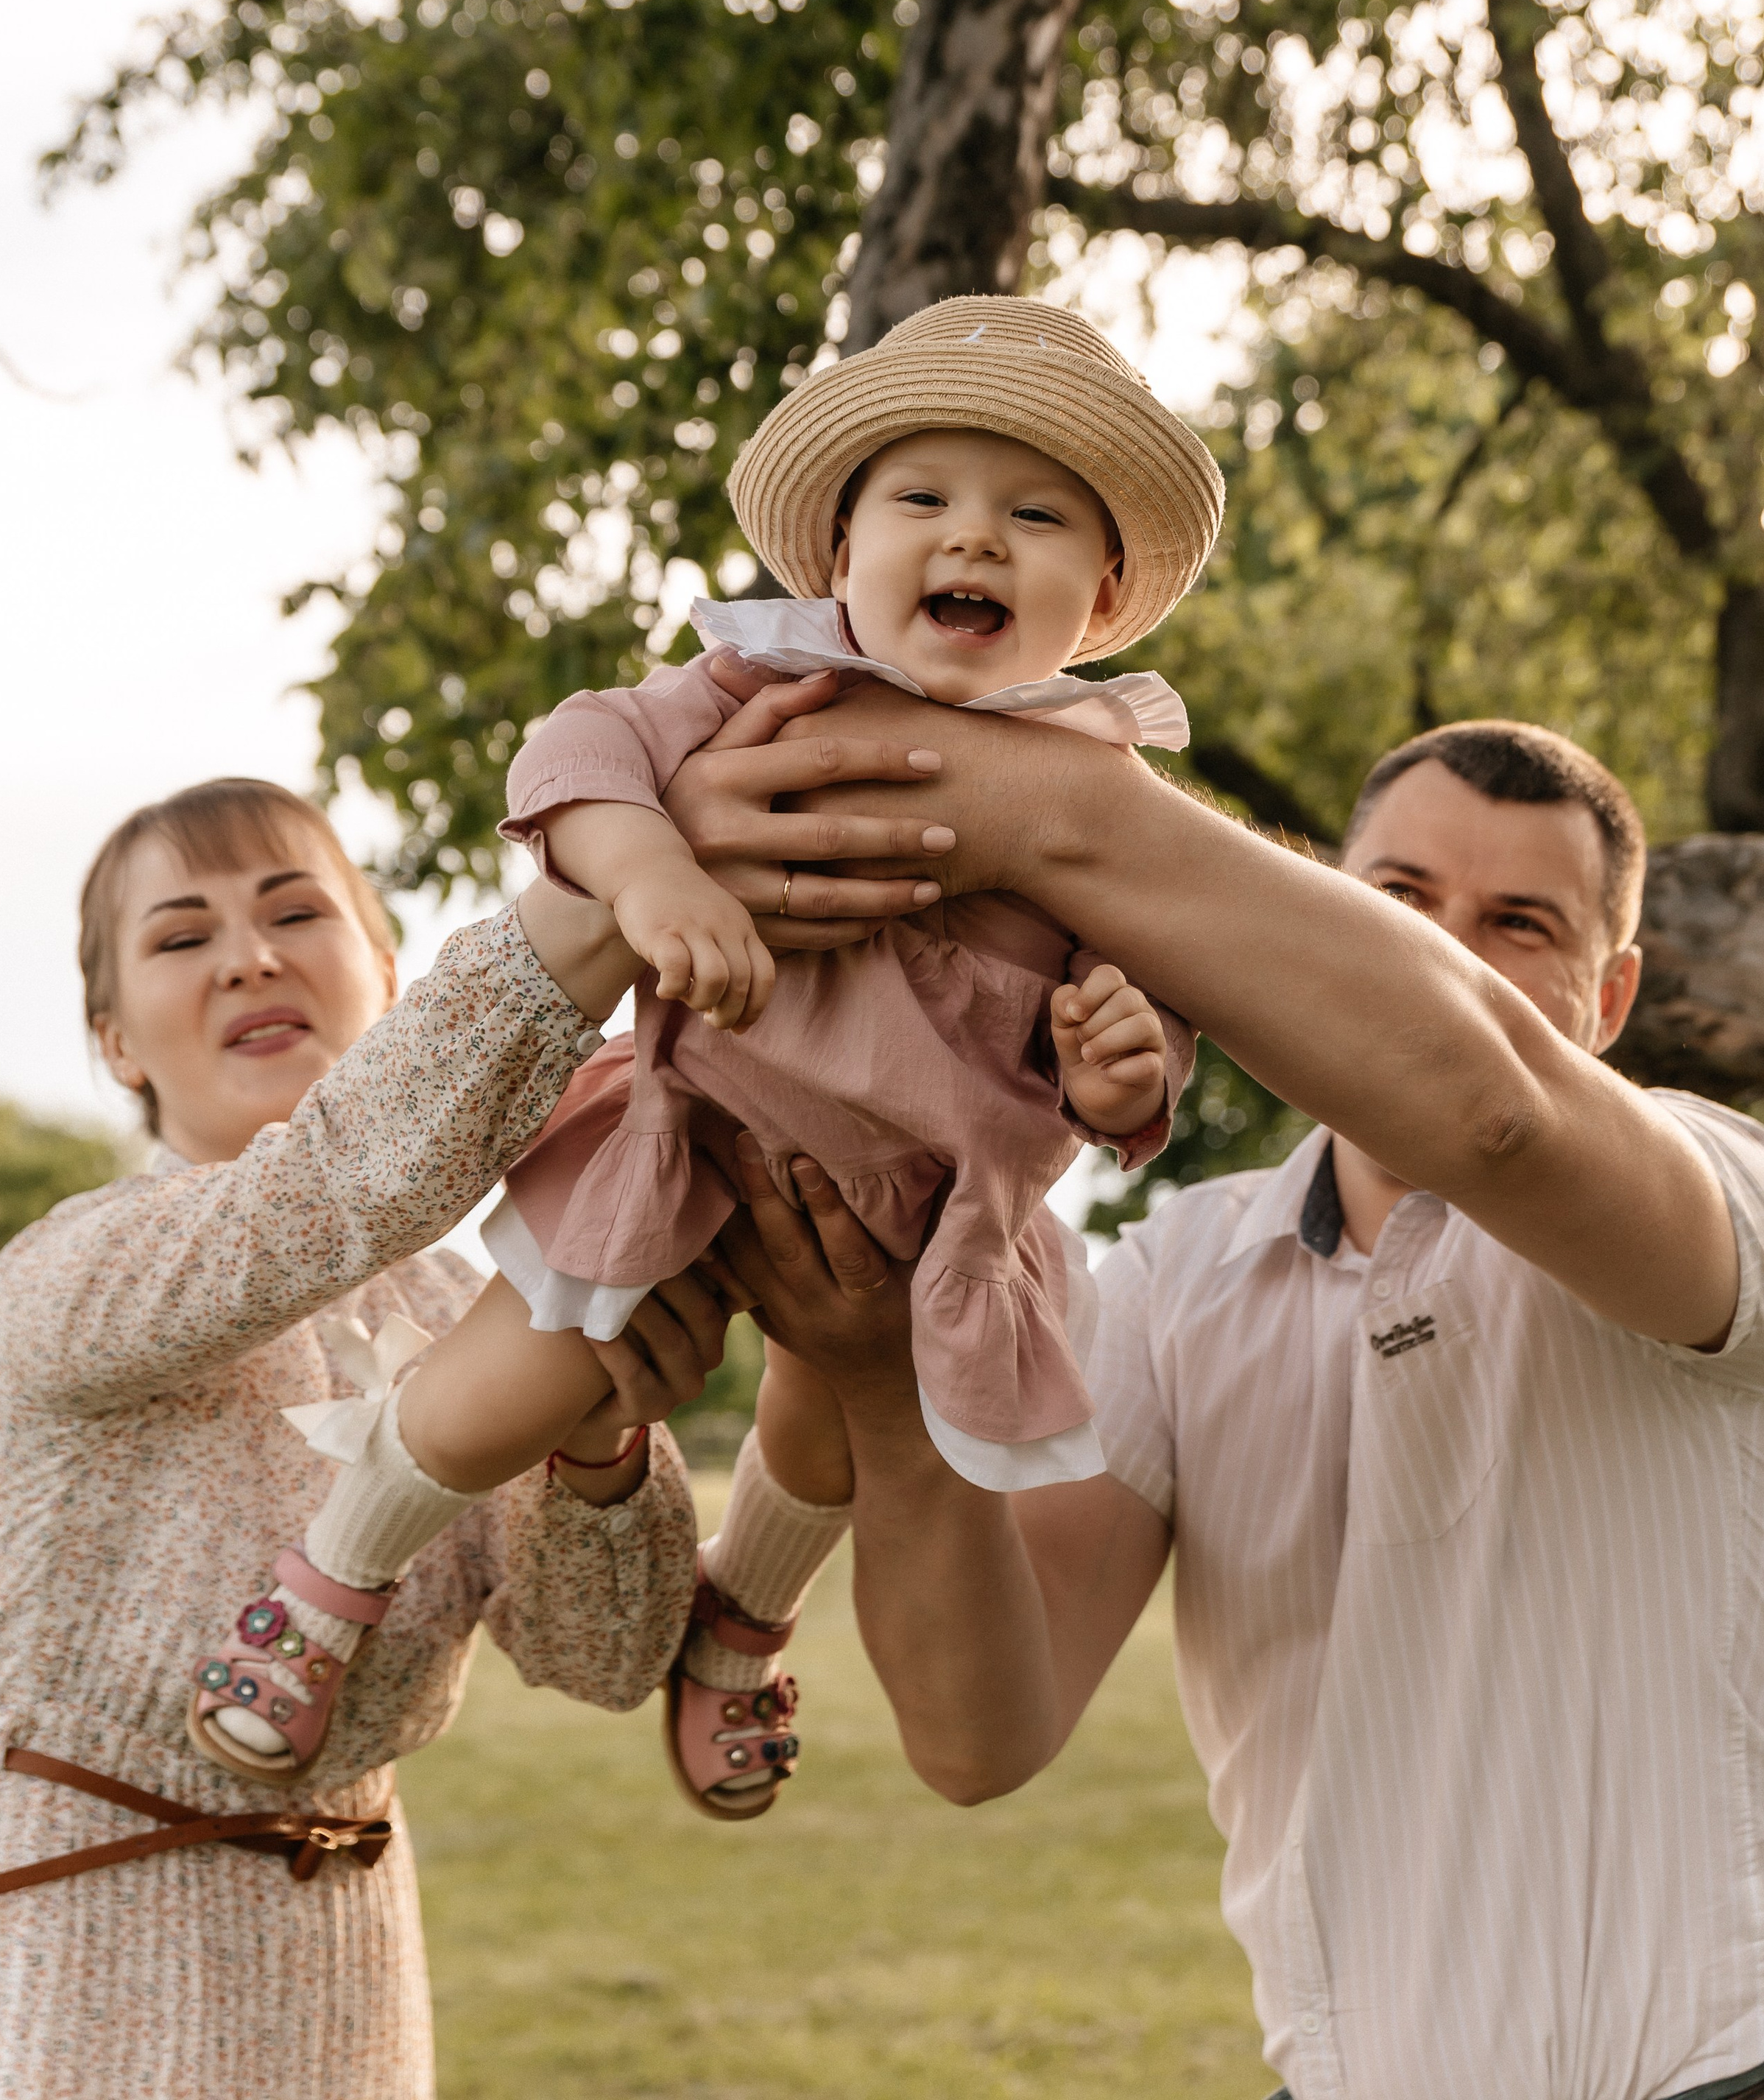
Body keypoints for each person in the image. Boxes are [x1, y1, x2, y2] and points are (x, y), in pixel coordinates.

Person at [669, 699, 1764, 2100]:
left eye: (1520, 926)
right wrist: (888, 1393)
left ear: (1607, 1002)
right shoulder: (1178, 1277)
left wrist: (1057, 807)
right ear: (1320, 912)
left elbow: (1496, 1110)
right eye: (1399, 903)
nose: (1441, 954)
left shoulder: (1713, 1190)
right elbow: (976, 1737)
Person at [214, 297, 1218, 1817]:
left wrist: (1122, 1071)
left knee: (823, 1442)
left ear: (1104, 590)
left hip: (917, 1223)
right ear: (835, 557)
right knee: (506, 1391)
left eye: (1034, 517)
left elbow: (1146, 1000)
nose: (976, 540)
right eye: (923, 501)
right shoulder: (767, 687)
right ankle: (330, 1572)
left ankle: (737, 1625)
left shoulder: (1102, 788)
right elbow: (578, 752)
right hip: (692, 1137)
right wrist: (652, 875)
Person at [0, 774, 718, 2100]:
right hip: (56, 2000)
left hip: (349, 1997)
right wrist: (603, 893)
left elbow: (603, 1660)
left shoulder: (491, 1313)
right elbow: (330, 1192)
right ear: (115, 1041)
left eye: (294, 913)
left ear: (387, 969)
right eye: (180, 936)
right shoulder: (69, 1276)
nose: (251, 959)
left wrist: (602, 1459)